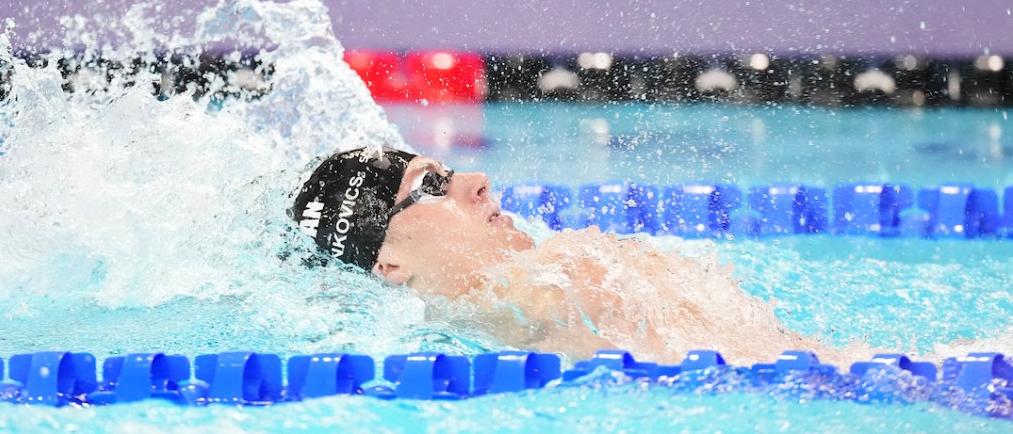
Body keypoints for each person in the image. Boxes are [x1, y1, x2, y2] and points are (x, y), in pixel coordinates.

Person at [291, 146, 842, 364]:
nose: (478, 181)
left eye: (450, 173)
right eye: (432, 187)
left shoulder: (574, 277)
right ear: (388, 266)